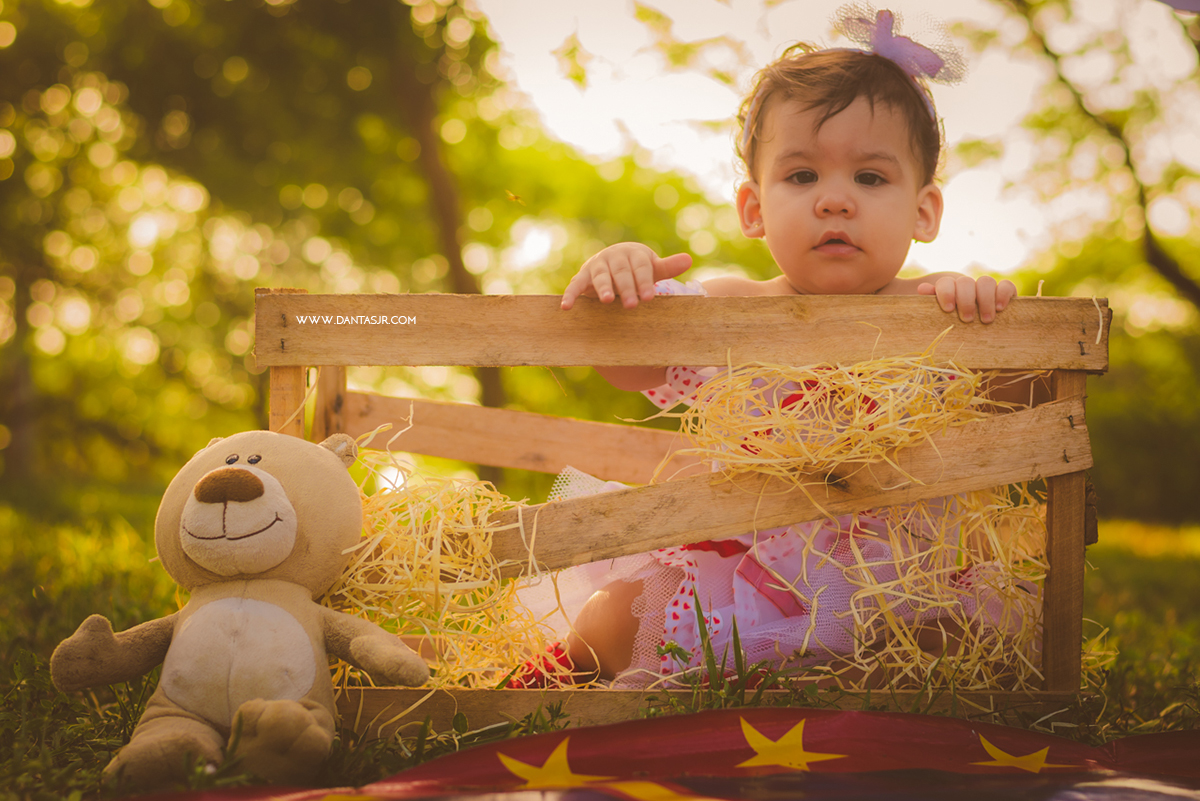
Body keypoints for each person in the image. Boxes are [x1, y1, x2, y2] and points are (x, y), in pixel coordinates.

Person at [515, 7, 1021, 689]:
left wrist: (980, 311)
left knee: (950, 640)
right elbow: (624, 361)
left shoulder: (930, 308)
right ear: (753, 207)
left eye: (870, 178)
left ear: (924, 210)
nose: (835, 200)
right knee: (616, 613)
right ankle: (541, 688)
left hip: (891, 579)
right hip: (741, 564)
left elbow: (1018, 393)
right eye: (802, 176)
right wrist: (619, 279)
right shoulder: (732, 307)